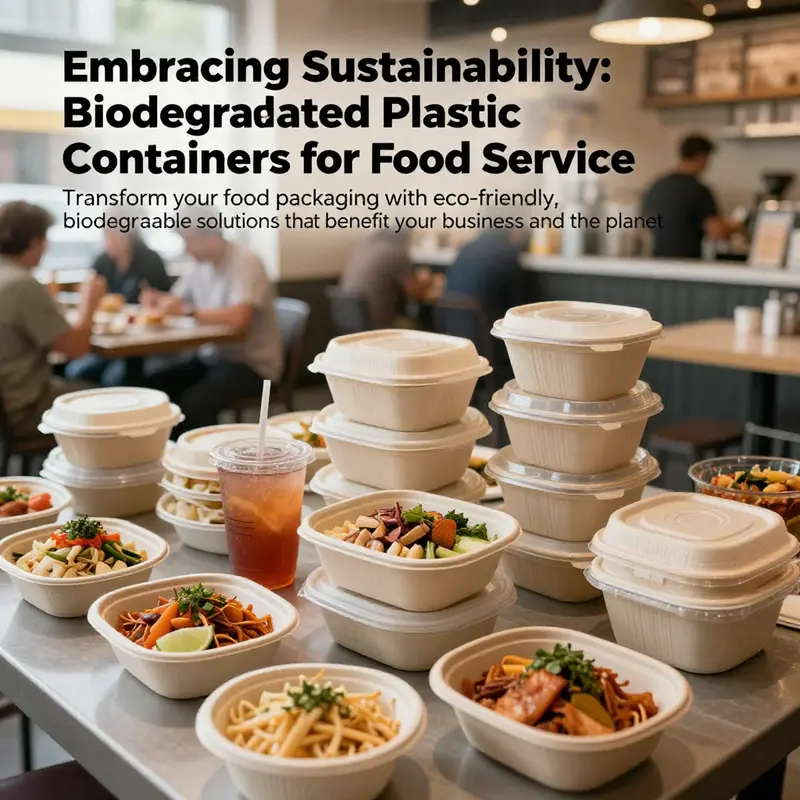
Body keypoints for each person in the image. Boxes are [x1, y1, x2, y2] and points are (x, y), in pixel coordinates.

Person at [140, 213, 283, 437]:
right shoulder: (200, 265)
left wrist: (188, 310)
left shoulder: (246, 261)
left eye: (189, 240)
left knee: (194, 404)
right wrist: (157, 300)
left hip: (251, 365)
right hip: (214, 358)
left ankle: (205, 463)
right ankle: (169, 455)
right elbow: (176, 300)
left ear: (211, 237)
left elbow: (239, 317)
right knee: (155, 388)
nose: (186, 248)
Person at [0, 201, 106, 437]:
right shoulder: (21, 285)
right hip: (24, 406)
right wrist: (89, 304)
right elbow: (76, 348)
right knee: (107, 398)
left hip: (8, 401)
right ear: (36, 242)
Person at [66, 218, 171, 386]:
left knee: (114, 378)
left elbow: (164, 304)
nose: (109, 240)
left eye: (114, 233)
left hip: (143, 344)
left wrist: (156, 303)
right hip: (111, 338)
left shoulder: (150, 261)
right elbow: (89, 293)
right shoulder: (103, 261)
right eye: (106, 234)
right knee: (77, 371)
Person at [642, 134, 743, 259]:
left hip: (656, 263)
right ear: (700, 157)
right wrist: (735, 227)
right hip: (686, 265)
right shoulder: (698, 190)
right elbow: (717, 232)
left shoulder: (657, 186)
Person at [339, 230, 432, 328]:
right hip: (382, 327)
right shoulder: (395, 252)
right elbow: (416, 293)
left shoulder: (361, 249)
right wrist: (428, 281)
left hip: (350, 325)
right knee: (421, 329)